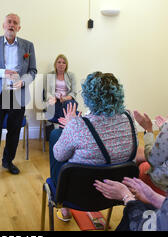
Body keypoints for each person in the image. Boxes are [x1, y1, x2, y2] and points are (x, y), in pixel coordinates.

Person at [50, 71, 137, 221]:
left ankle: (63, 206)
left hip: (78, 194)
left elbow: (58, 155)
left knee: (55, 136)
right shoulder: (129, 118)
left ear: (88, 97)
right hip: (116, 193)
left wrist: (70, 126)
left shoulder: (78, 125)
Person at [0, 13, 37, 185]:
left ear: (19, 27)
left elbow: (33, 71)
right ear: (3, 25)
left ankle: (7, 161)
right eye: (9, 22)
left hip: (18, 94)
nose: (11, 25)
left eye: (15, 23)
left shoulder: (28, 46)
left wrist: (23, 81)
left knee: (14, 131)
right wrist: (2, 72)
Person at [45, 54, 78, 125]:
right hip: (54, 100)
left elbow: (74, 92)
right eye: (59, 62)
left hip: (67, 100)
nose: (61, 64)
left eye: (64, 62)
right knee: (58, 107)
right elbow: (47, 92)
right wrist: (51, 98)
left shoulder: (71, 75)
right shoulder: (50, 75)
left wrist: (65, 98)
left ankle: (61, 126)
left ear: (66, 65)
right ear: (55, 64)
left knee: (70, 104)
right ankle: (65, 126)